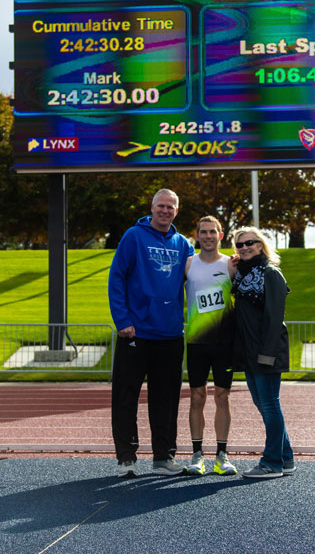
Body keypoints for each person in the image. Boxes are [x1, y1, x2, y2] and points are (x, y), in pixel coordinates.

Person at [108, 188, 195, 477]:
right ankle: (126, 459)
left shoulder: (183, 244)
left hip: (170, 335)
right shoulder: (134, 236)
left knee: (166, 399)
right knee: (125, 396)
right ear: (152, 207)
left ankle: (163, 458)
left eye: (171, 207)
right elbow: (117, 277)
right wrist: (122, 320)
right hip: (135, 333)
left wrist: (227, 265)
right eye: (161, 205)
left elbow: (200, 277)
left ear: (177, 210)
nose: (165, 211)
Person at [231, 226, 296, 479]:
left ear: (261, 244)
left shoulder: (270, 273)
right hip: (249, 352)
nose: (245, 247)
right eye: (240, 244)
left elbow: (274, 317)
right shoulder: (242, 274)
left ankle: (272, 463)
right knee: (264, 404)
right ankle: (286, 458)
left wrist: (267, 355)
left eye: (250, 243)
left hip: (266, 352)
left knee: (269, 405)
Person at [184, 216, 237, 476]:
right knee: (197, 396)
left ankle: (222, 455)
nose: (207, 236)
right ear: (197, 235)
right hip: (196, 342)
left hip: (224, 343)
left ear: (220, 235)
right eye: (203, 232)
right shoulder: (189, 265)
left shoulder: (230, 264)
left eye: (212, 232)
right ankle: (196, 455)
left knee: (222, 397)